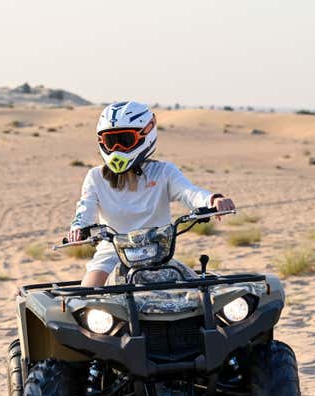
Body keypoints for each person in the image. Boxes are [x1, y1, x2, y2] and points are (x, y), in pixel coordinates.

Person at [69, 101, 235, 287]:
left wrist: (213, 200)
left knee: (201, 294)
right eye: (110, 141)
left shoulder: (164, 172)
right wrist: (78, 228)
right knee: (87, 295)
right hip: (112, 253)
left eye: (125, 141)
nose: (117, 149)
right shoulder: (96, 177)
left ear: (145, 135)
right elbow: (85, 208)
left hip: (158, 253)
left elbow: (189, 192)